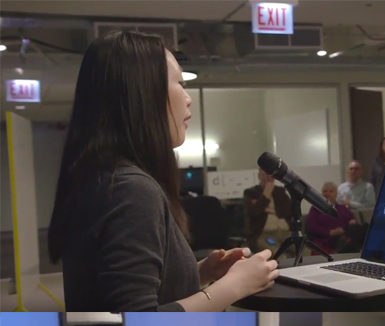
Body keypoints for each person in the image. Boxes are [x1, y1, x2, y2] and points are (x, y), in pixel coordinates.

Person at [46, 30, 279, 311]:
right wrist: (233, 287)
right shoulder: (130, 190)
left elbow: (117, 289)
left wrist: (200, 272)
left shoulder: (100, 177)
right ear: (142, 94)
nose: (188, 98)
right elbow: (136, 321)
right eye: (179, 82)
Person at [243, 169, 294, 252]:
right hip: (264, 234)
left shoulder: (280, 191)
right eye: (265, 175)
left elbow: (289, 210)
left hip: (286, 232)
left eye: (270, 175)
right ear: (259, 176)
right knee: (277, 253)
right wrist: (266, 193)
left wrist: (270, 210)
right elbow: (255, 211)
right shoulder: (251, 193)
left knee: (304, 250)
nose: (268, 178)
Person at [304, 182, 359, 253]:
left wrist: (353, 221)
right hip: (327, 239)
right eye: (325, 191)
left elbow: (353, 219)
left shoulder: (342, 208)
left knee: (362, 228)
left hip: (345, 234)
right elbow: (311, 226)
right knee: (350, 242)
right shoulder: (316, 208)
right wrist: (331, 232)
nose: (327, 193)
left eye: (331, 191)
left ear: (336, 194)